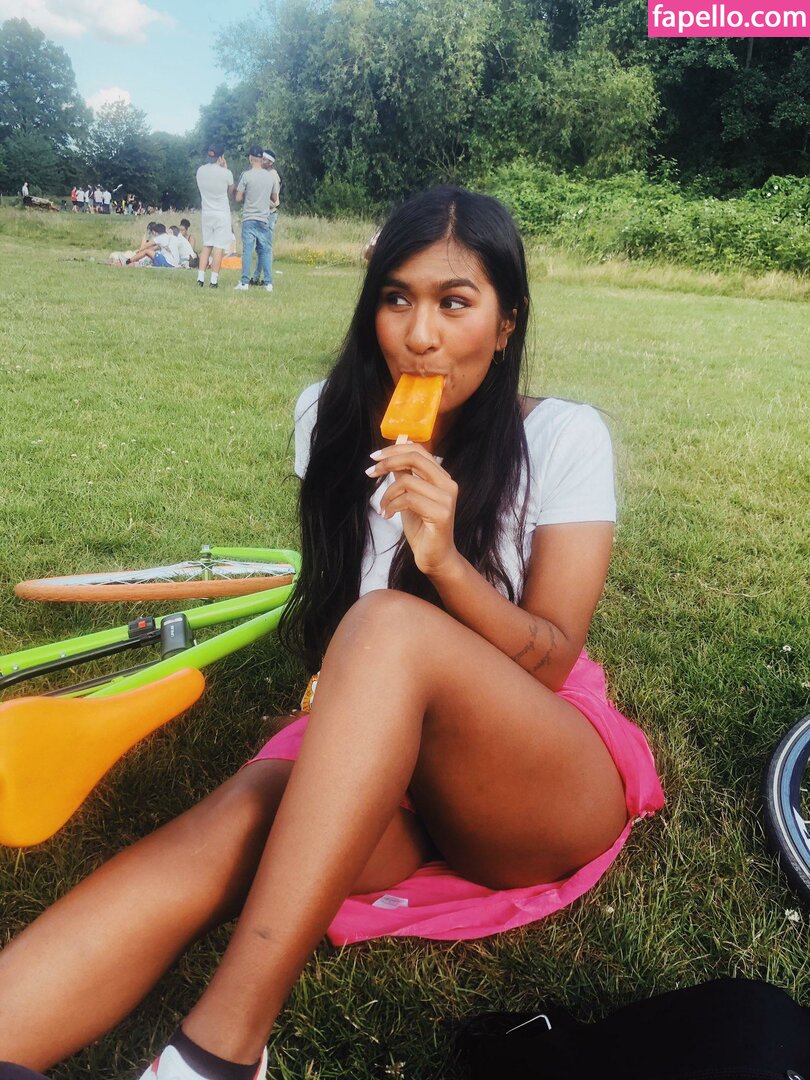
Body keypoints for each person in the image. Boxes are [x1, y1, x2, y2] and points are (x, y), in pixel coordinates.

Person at [0, 187, 664, 1080]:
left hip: (530, 772)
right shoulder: (328, 416)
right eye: (396, 299)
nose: (419, 335)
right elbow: (338, 607)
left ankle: (218, 1051)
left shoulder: (564, 438)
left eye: (454, 302)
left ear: (506, 324)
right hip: (380, 736)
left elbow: (550, 657)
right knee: (235, 819)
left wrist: (446, 563)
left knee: (388, 625)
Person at [234, 145, 276, 293]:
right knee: (264, 251)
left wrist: (247, 193)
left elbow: (238, 198)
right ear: (261, 158)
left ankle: (244, 282)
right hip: (264, 218)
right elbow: (274, 198)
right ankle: (268, 283)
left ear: (250, 158)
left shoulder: (246, 175)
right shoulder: (270, 177)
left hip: (249, 217)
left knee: (247, 251)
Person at [195, 143, 234, 289]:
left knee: (207, 245)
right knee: (219, 247)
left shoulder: (200, 171)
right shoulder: (226, 173)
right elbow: (230, 190)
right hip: (221, 213)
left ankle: (200, 278)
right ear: (221, 157)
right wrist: (225, 168)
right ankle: (213, 280)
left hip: (207, 212)